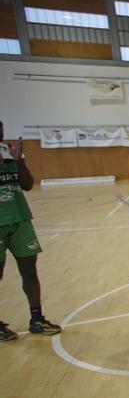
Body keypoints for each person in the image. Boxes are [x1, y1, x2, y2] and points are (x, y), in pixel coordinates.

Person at [0, 123, 61, 341]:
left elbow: (27, 185)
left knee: (29, 270)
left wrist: (18, 162)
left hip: (20, 219)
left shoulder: (9, 153)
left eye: (1, 129)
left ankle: (37, 319)